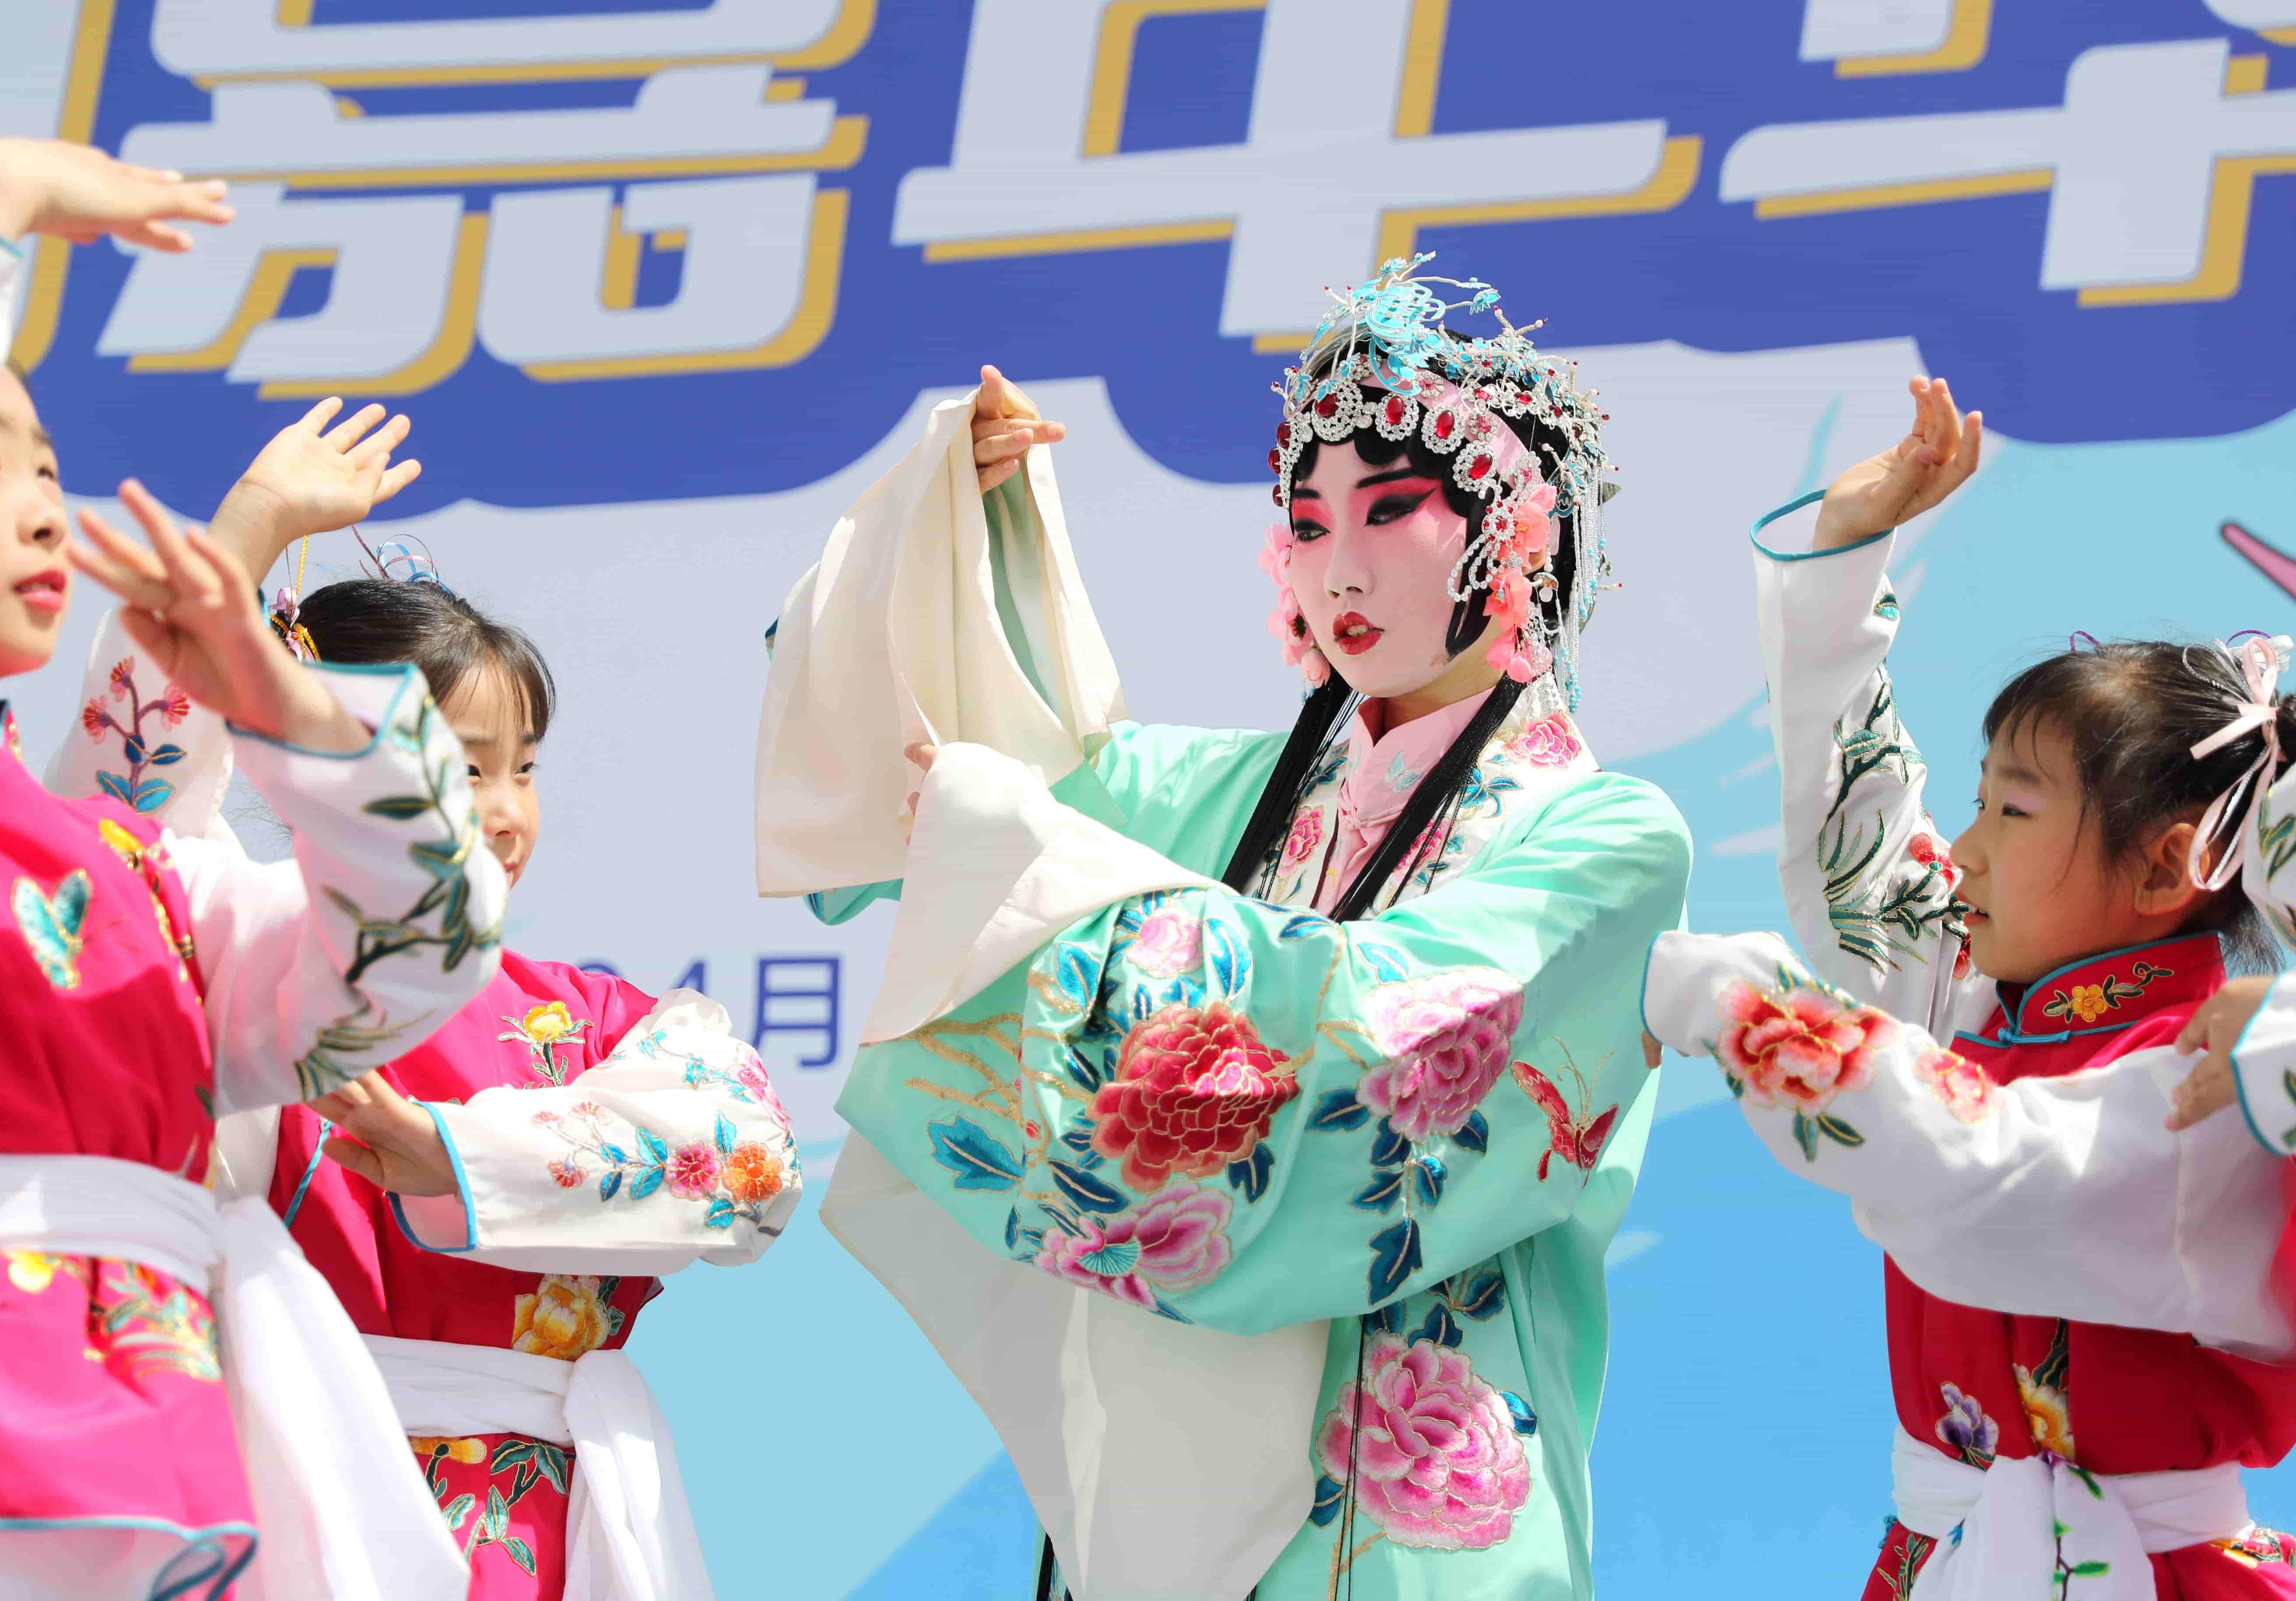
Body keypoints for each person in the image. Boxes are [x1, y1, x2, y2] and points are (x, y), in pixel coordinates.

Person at [757, 255, 1692, 1601]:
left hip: (1413, 1510)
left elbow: (1380, 1022)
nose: (1340, 566)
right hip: (1164, 1487)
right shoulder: (1222, 796)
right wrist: (962, 529)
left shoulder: (1605, 838)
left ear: (1513, 531)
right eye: (1307, 524)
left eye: (1393, 509)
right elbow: (974, 752)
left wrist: (1017, 840)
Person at [47, 409, 801, 1600]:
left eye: (522, 767)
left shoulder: (604, 1022)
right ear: (323, 762)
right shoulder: (242, 982)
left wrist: (455, 1152)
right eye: (458, 765)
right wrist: (248, 540)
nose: (502, 810)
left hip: (535, 1530)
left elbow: (754, 1168)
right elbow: (103, 845)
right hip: (287, 1489)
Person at [0, 138, 508, 1599]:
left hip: (163, 1445)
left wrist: (290, 708)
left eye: (51, 468)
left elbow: (409, 957)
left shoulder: (137, 869)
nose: (45, 508)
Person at [1641, 377, 2296, 1599]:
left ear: (2167, 867)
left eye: (2014, 811)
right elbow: (1867, 854)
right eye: (1979, 800)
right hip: (1940, 1561)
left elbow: (1975, 1174)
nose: (1970, 850)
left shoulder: (2227, 1083)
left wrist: (1734, 1005)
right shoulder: (1991, 1006)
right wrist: (1846, 560)